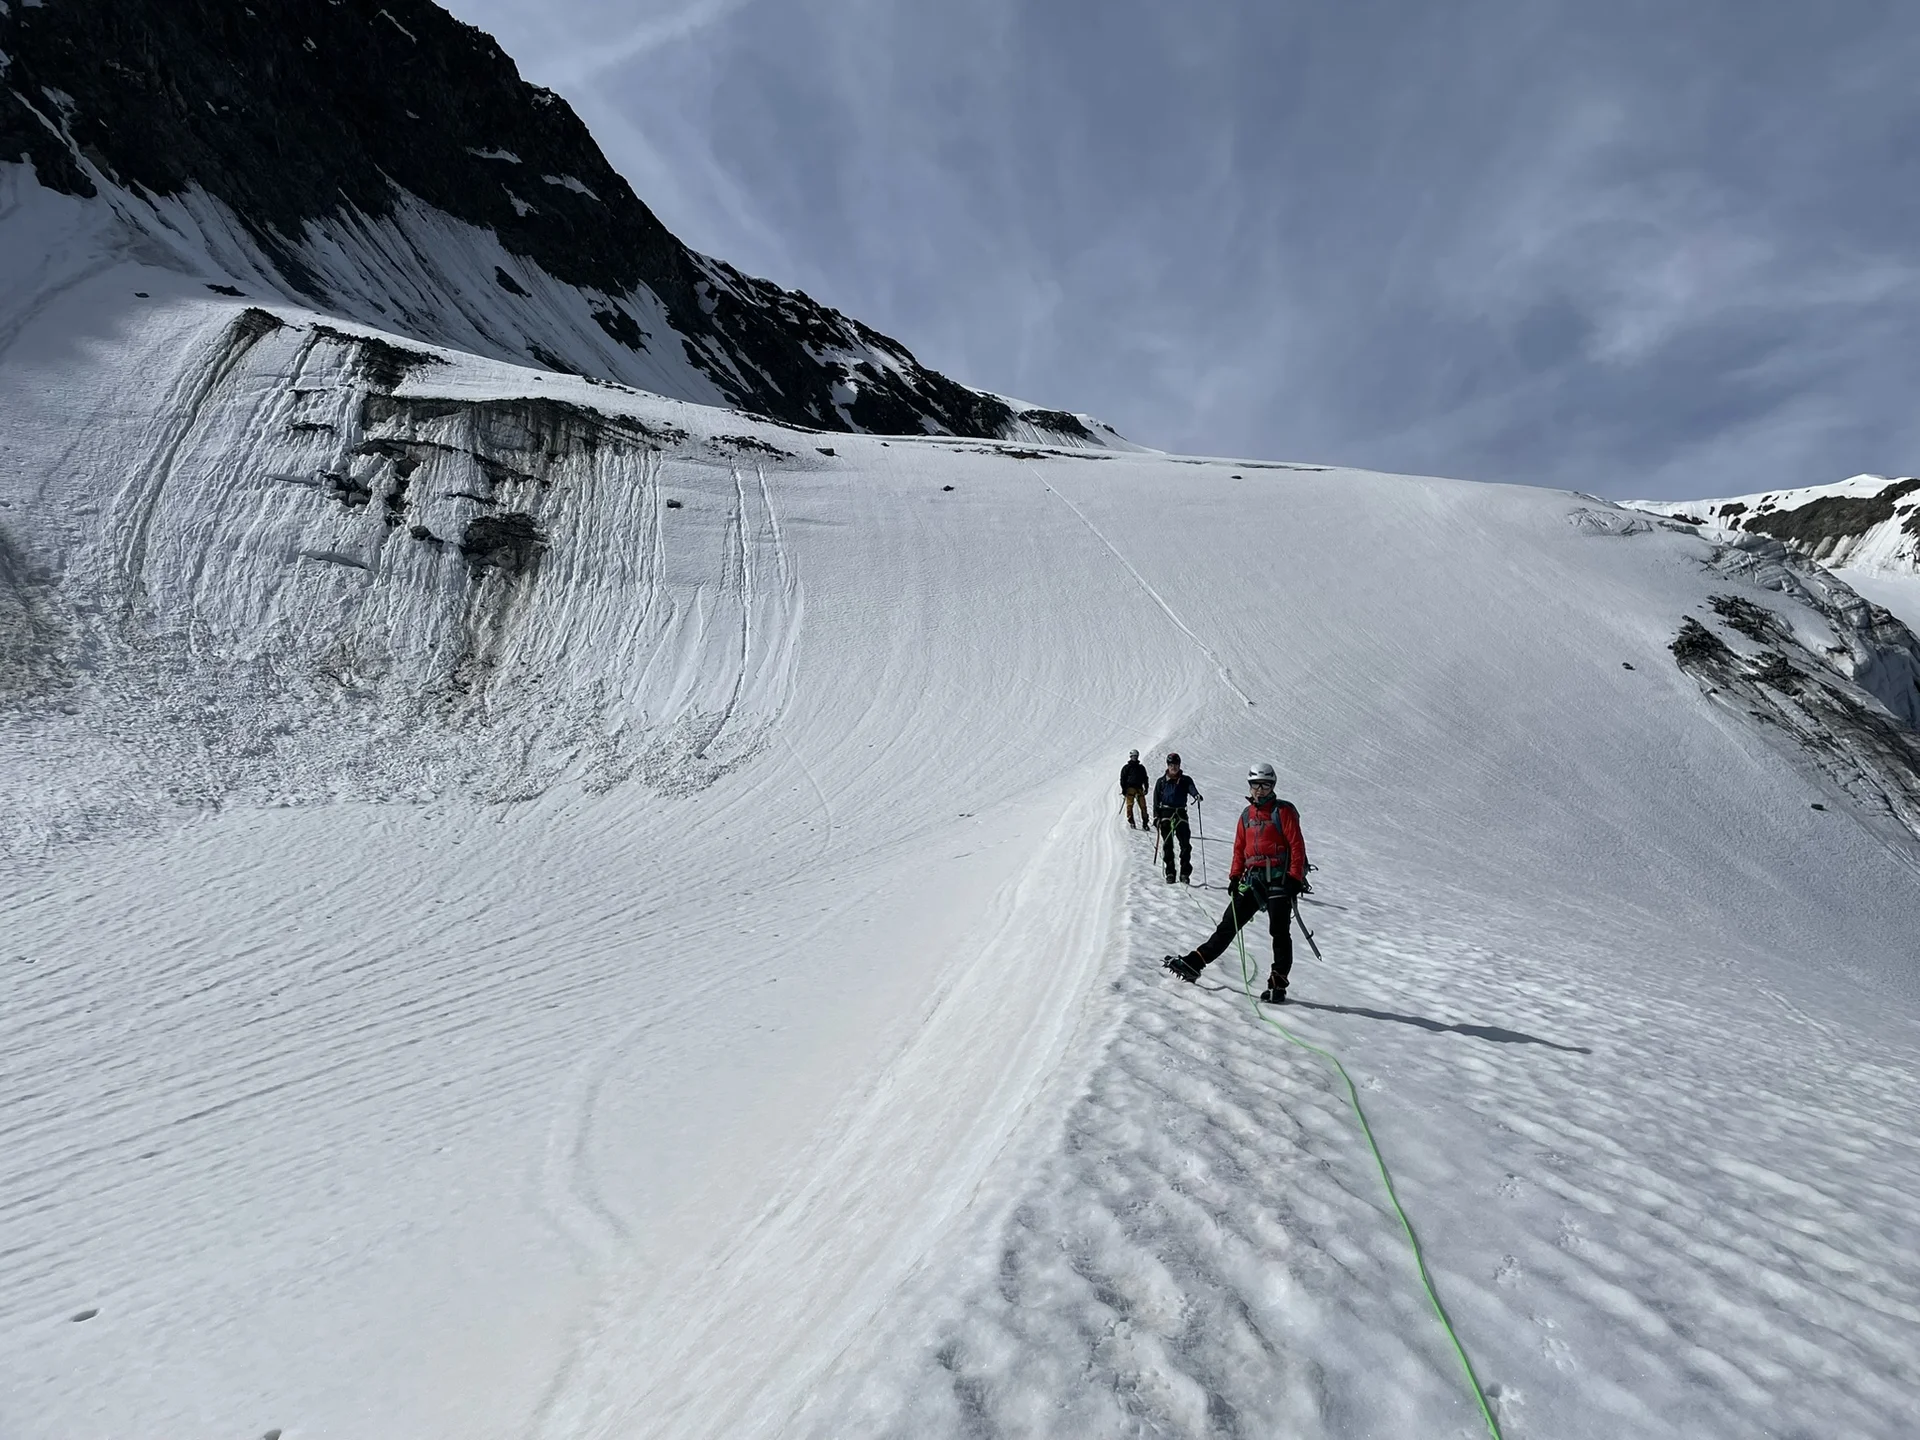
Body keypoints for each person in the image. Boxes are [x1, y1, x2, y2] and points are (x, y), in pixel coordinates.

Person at [1164, 762, 1308, 1003]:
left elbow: (1296, 845)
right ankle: (1195, 962)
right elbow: (1239, 848)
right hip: (1252, 880)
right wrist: (1234, 875)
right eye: (1255, 785)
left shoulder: (1283, 812)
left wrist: (1294, 878)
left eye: (1264, 785)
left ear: (1272, 786)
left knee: (1279, 932)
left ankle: (1278, 983)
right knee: (1228, 925)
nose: (1259, 790)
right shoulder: (1246, 815)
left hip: (1279, 880)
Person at [1151, 752, 1202, 883]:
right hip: (1166, 814)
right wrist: (1156, 817)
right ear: (1167, 766)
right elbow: (1156, 801)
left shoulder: (1185, 780)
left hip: (1180, 813)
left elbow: (1191, 789)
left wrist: (1196, 795)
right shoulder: (1161, 782)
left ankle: (1185, 873)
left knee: (1185, 845)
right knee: (1168, 845)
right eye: (1171, 765)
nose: (1174, 767)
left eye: (1176, 765)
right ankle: (1170, 872)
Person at [1119, 749, 1150, 828]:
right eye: (1133, 756)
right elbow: (1123, 778)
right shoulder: (1127, 768)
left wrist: (1146, 787)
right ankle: (1131, 821)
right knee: (1129, 805)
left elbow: (1145, 778)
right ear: (1130, 757)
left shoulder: (1141, 768)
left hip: (1139, 787)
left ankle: (1145, 823)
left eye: (1136, 756)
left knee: (1143, 806)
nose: (1135, 758)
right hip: (1130, 788)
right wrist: (1124, 789)